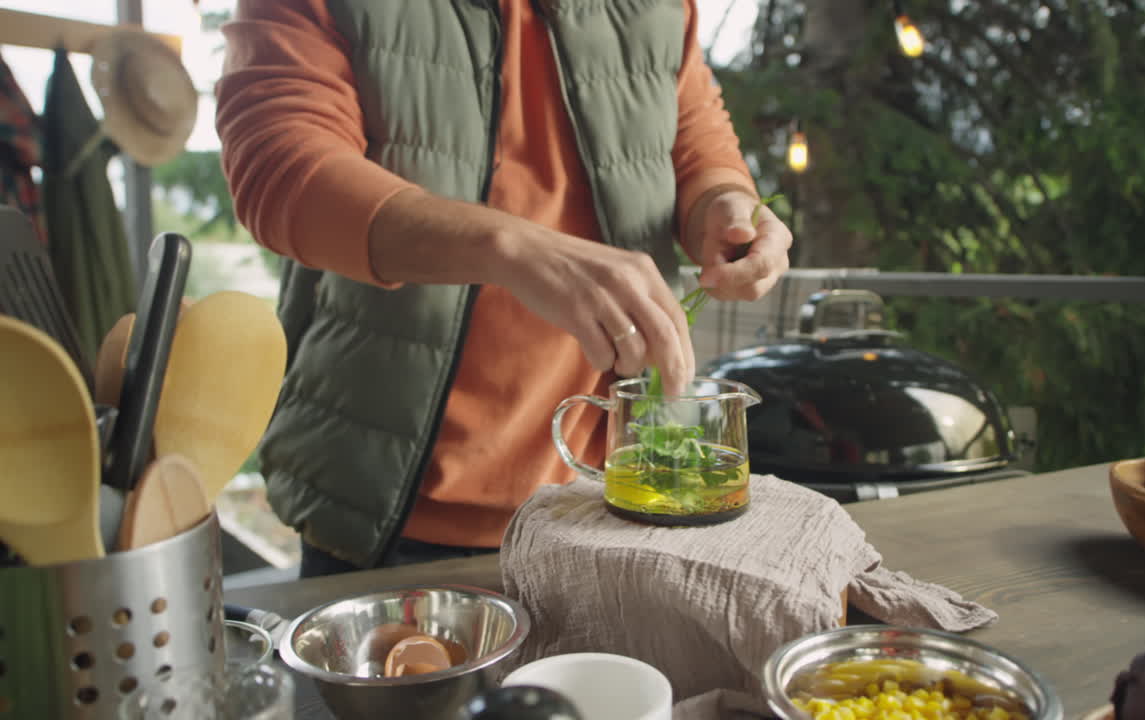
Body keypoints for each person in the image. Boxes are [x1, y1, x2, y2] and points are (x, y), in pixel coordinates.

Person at [215, 0, 793, 578]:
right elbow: (279, 165)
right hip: (390, 514)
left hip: (611, 498)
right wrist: (512, 248)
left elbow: (696, 141)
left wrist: (726, 207)